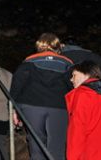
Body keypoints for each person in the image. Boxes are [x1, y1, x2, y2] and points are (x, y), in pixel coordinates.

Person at [9, 32, 73, 160]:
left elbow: (17, 86)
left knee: (36, 144)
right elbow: (72, 88)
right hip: (59, 107)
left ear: (39, 45)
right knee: (57, 146)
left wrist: (13, 109)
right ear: (57, 46)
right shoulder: (68, 64)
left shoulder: (28, 61)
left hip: (31, 106)